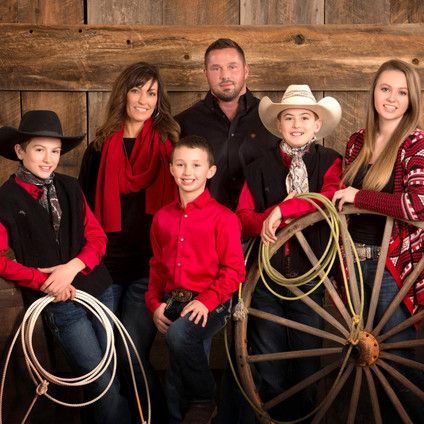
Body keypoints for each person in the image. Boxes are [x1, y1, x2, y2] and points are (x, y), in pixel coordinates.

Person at [0, 110, 130, 423]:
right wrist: (41, 281)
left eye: (55, 151)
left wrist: (70, 268)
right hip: (60, 302)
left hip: (99, 290)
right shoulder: (5, 199)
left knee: (110, 371)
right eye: (39, 150)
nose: (48, 159)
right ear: (20, 151)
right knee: (99, 378)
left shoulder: (71, 188)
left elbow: (97, 238)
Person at [78, 62, 180, 423]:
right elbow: (83, 213)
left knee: (130, 352)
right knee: (105, 356)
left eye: (151, 92)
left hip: (148, 269)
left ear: (159, 99)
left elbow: (184, 208)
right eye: (136, 90)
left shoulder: (169, 146)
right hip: (104, 269)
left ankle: (162, 417)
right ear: (123, 93)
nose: (143, 99)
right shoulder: (99, 147)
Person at [237, 85, 342, 421]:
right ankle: (274, 417)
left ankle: (306, 417)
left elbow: (326, 200)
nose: (297, 124)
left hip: (309, 279)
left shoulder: (330, 162)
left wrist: (283, 211)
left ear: (316, 125)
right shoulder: (258, 167)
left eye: (305, 118)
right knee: (268, 360)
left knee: (307, 361)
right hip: (266, 279)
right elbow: (241, 216)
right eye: (289, 118)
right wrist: (262, 220)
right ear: (278, 124)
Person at [332, 59, 424, 422]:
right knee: (367, 359)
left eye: (402, 92)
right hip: (353, 262)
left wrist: (359, 196)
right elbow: (340, 200)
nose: (392, 98)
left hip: (392, 264)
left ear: (411, 100)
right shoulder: (358, 142)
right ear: (373, 92)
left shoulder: (414, 143)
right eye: (385, 89)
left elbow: (417, 207)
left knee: (397, 363)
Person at [145, 135, 245, 424]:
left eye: (196, 165)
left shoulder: (223, 218)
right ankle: (180, 418)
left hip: (213, 300)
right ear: (171, 169)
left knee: (180, 336)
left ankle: (204, 399)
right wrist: (154, 305)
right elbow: (156, 268)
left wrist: (206, 301)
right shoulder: (161, 218)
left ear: (210, 171)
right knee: (176, 370)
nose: (188, 172)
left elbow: (234, 271)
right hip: (173, 300)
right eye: (181, 164)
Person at [175, 38, 278, 212]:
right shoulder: (183, 123)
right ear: (205, 73)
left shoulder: (274, 120)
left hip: (264, 232)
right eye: (216, 68)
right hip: (204, 232)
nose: (225, 76)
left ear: (246, 70)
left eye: (232, 66)